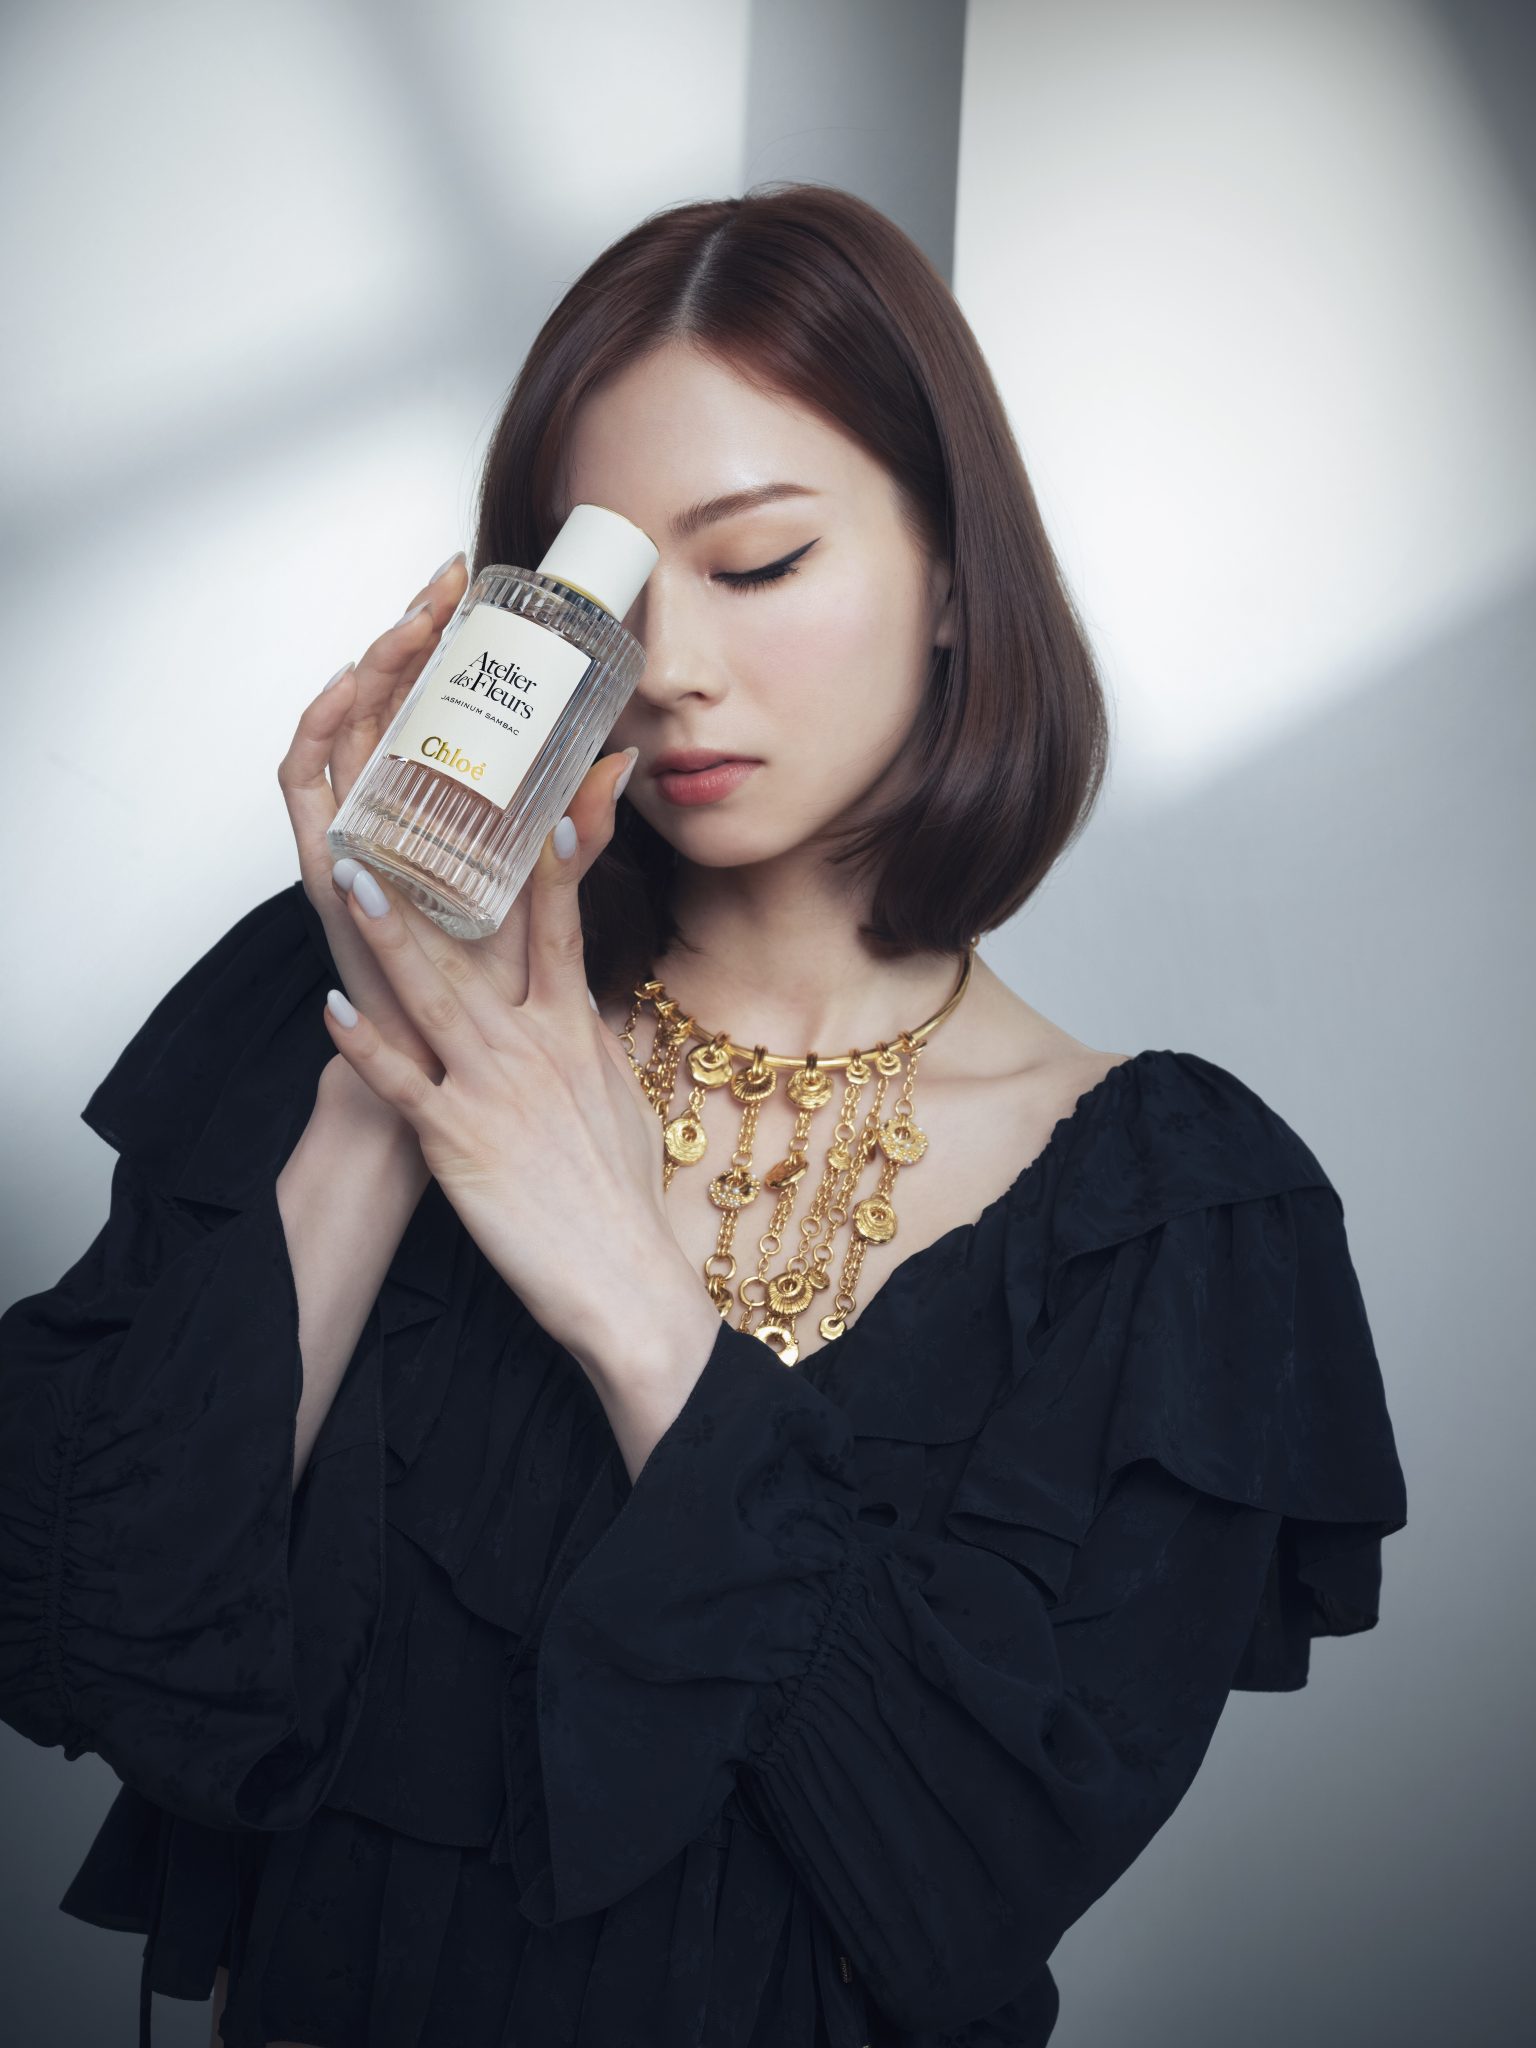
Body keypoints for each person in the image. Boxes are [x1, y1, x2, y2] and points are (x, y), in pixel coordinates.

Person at [0, 184, 1408, 2048]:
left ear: (955, 580)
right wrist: (394, 1039)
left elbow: (960, 1889)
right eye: (608, 598)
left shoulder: (1178, 1232)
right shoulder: (347, 1005)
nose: (666, 672)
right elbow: (95, 1644)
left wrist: (637, 1302)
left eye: (758, 565)